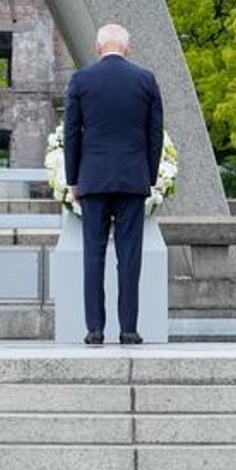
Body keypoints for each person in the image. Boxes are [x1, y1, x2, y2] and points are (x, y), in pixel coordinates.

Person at [63, 23, 164, 345]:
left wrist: (73, 179)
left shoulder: (81, 80)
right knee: (129, 256)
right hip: (132, 178)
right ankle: (128, 328)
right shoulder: (145, 80)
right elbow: (155, 133)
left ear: (98, 48)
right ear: (127, 48)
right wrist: (148, 175)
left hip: (93, 178)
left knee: (93, 255)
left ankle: (95, 328)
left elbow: (71, 132)